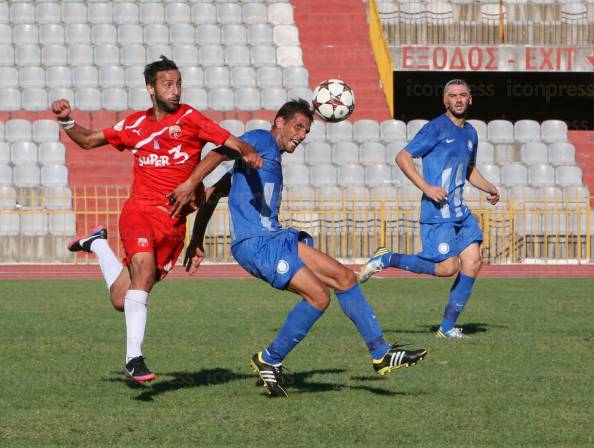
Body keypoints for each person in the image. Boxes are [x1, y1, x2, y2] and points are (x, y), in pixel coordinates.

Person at [170, 99, 427, 398]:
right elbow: (219, 151)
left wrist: (197, 239)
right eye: (298, 126)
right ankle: (270, 358)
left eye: (306, 130)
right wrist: (190, 183)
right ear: (279, 122)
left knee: (345, 278)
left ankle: (381, 353)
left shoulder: (265, 160)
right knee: (318, 297)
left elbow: (213, 194)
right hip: (257, 244)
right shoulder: (260, 139)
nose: (302, 134)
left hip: (276, 237)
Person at [51, 56, 263, 383]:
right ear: (151, 88)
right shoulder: (135, 125)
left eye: (178, 83)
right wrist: (67, 122)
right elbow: (89, 140)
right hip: (139, 209)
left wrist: (240, 155)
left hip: (173, 225)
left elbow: (229, 145)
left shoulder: (191, 118)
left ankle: (97, 244)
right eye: (167, 84)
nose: (175, 90)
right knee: (144, 271)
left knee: (123, 299)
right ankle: (134, 359)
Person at [359, 79, 500, 339]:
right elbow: (402, 157)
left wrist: (489, 187)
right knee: (447, 269)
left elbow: (468, 169)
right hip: (438, 212)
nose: (458, 99)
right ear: (445, 101)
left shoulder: (470, 133)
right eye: (453, 96)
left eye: (463, 95)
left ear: (470, 99)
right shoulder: (435, 128)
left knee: (473, 262)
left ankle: (447, 328)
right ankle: (386, 258)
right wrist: (426, 187)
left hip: (461, 212)